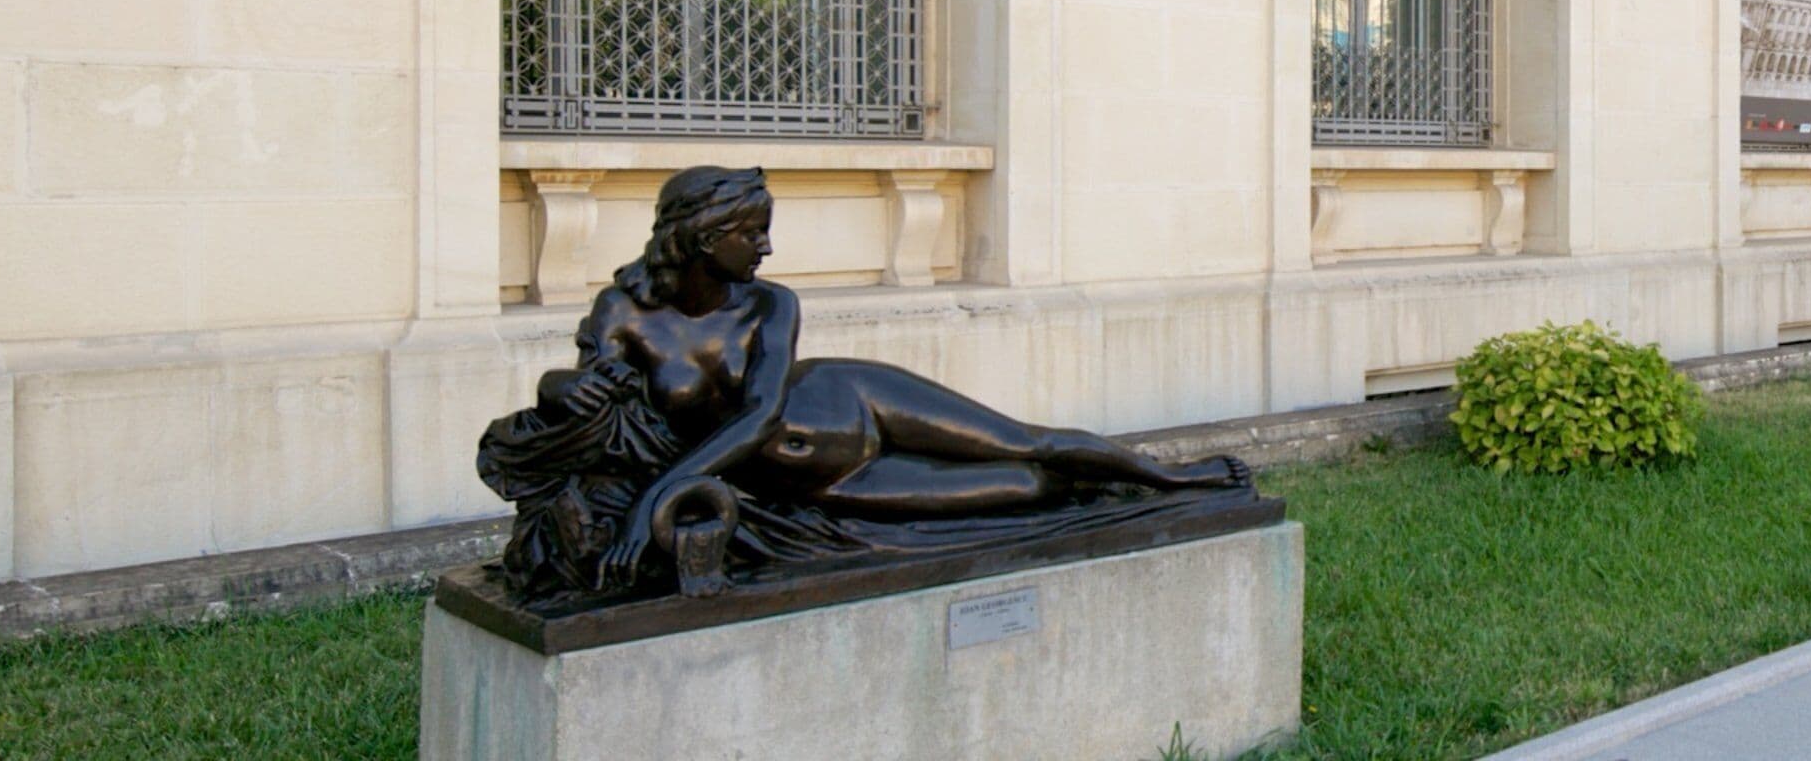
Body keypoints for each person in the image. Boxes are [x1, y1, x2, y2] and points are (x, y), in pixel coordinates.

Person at [484, 165, 1247, 601]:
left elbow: (758, 413)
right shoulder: (624, 312)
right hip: (825, 481)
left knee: (1027, 441)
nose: (766, 247)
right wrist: (559, 389)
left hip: (854, 401)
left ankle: (1176, 477)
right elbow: (578, 400)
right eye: (751, 233)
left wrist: (659, 495)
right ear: (703, 238)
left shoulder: (770, 304)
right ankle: (1108, 492)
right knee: (1025, 488)